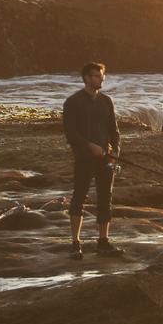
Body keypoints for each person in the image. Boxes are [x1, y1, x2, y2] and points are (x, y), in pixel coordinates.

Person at [62, 62, 124, 259]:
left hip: (106, 159)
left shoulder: (106, 101)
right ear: (87, 78)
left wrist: (115, 154)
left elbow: (114, 132)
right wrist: (90, 146)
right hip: (83, 158)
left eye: (102, 75)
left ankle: (103, 242)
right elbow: (71, 134)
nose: (101, 79)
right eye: (97, 76)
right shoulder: (73, 102)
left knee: (106, 197)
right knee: (79, 197)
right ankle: (75, 243)